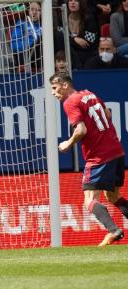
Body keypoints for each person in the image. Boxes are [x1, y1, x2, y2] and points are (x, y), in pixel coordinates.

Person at [52, 71, 128, 246]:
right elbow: (107, 113)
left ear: (65, 85)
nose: (53, 92)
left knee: (90, 199)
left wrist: (68, 143)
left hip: (99, 157)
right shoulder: (89, 94)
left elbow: (81, 130)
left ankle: (113, 230)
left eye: (55, 88)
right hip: (116, 151)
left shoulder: (70, 102)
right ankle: (113, 230)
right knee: (113, 196)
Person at [10, 2, 43, 71]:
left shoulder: (44, 25)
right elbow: (14, 45)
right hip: (26, 55)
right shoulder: (21, 24)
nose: (34, 12)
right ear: (28, 11)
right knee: (40, 39)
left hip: (41, 54)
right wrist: (32, 41)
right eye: (32, 9)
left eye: (38, 10)